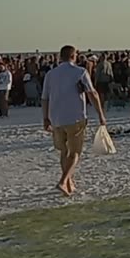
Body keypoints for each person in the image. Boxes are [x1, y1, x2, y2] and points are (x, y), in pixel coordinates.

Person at [42, 45, 107, 196]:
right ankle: (64, 181)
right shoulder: (80, 72)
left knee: (64, 151)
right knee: (75, 153)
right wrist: (101, 115)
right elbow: (93, 93)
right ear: (73, 56)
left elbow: (44, 98)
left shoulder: (51, 74)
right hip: (75, 117)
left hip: (56, 118)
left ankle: (69, 181)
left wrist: (45, 117)